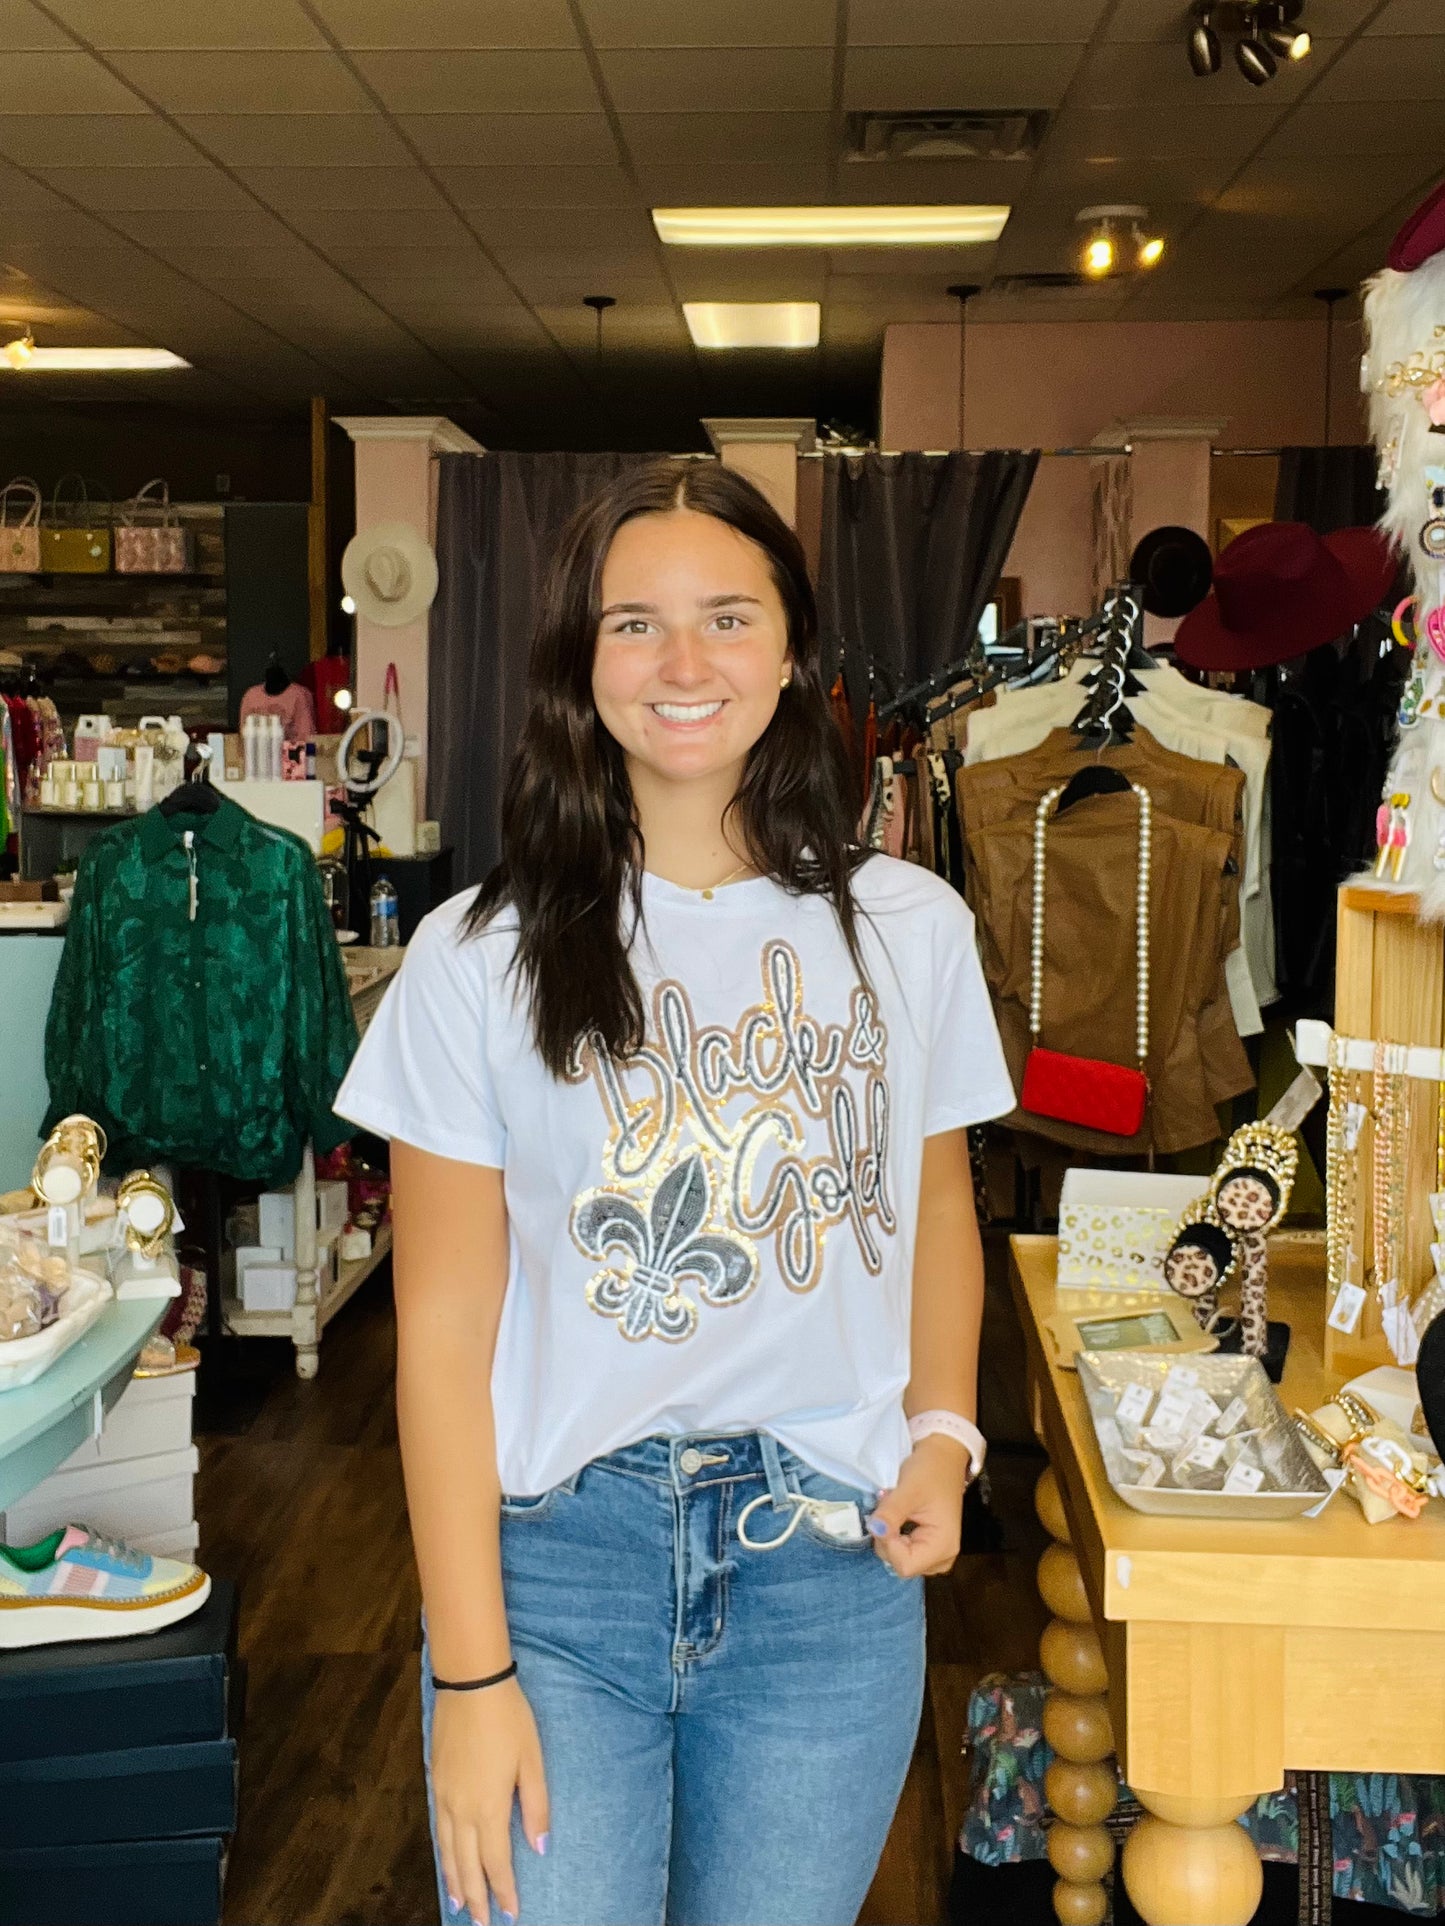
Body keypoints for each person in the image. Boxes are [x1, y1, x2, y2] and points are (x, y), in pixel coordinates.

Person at [336, 460, 1014, 1926]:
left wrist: (944, 1433)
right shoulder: (477, 957)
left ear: (791, 653)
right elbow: (442, 1329)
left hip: (824, 1571)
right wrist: (469, 1672)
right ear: (580, 665)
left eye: (725, 616)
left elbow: (936, 1207)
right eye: (633, 624)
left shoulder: (908, 928)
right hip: (557, 1575)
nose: (684, 662)